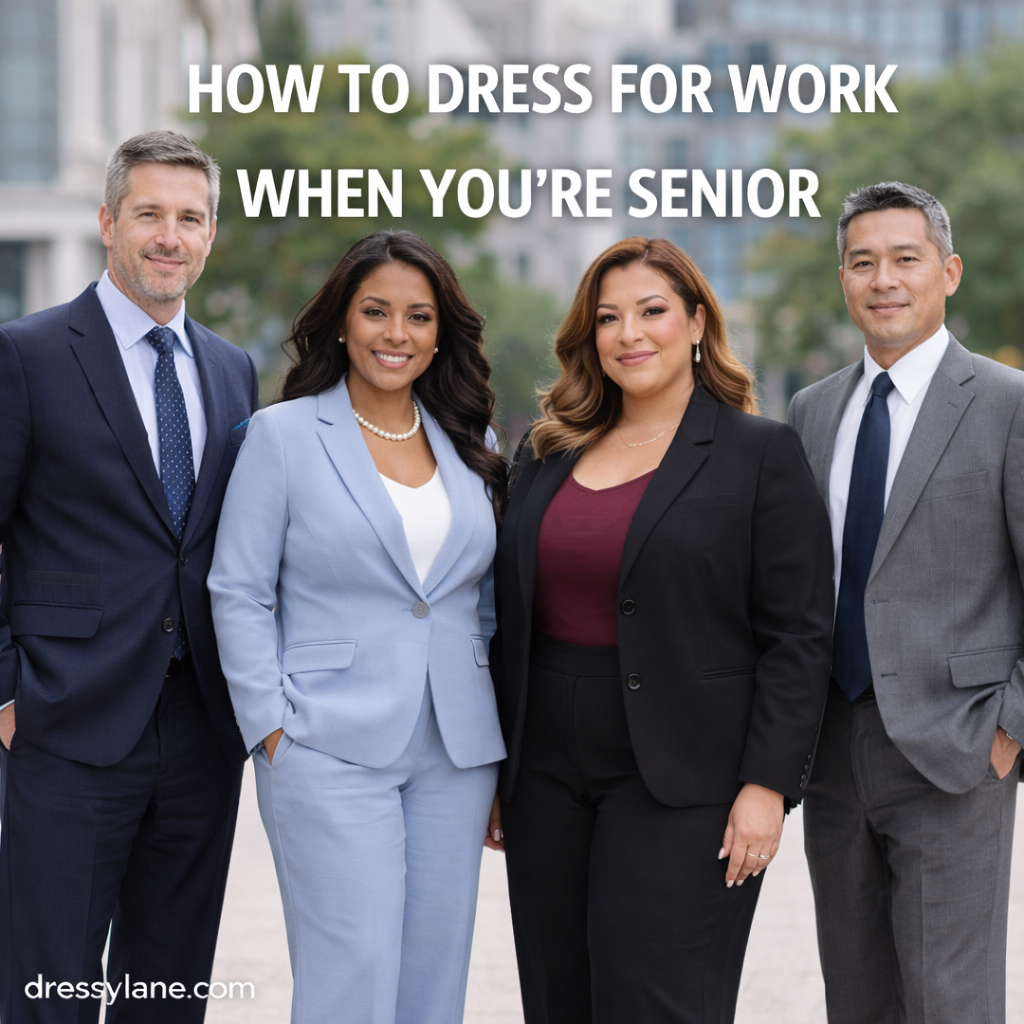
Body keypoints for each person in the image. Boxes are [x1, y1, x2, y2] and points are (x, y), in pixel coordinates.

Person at [487, 235, 834, 1023]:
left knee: (658, 1001)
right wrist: (495, 768)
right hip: (544, 770)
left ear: (698, 323)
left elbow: (799, 634)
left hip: (688, 776)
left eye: (651, 311)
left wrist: (768, 786)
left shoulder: (760, 453)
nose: (629, 333)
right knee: (558, 996)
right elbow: (507, 615)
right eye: (608, 318)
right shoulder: (544, 452)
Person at [208, 230, 507, 1024]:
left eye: (418, 316)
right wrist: (270, 728)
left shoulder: (472, 444)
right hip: (325, 743)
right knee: (351, 978)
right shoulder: (283, 436)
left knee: (433, 981)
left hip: (456, 750)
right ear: (342, 320)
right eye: (376, 312)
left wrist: (497, 740)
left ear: (442, 331)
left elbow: (480, 599)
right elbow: (237, 589)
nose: (396, 334)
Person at [0, 131, 259, 1023]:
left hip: (200, 732)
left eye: (190, 218)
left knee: (169, 987)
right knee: (48, 987)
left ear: (211, 234)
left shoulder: (232, 371)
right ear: (108, 221)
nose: (169, 236)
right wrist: (6, 690)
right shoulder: (27, 354)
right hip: (66, 722)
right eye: (149, 213)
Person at [789, 181, 1024, 1024]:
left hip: (957, 754)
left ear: (949, 272)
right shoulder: (812, 413)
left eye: (905, 259)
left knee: (950, 1004)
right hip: (835, 754)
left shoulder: (1007, 404)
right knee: (856, 999)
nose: (882, 279)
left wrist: (1007, 732)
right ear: (844, 279)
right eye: (862, 262)